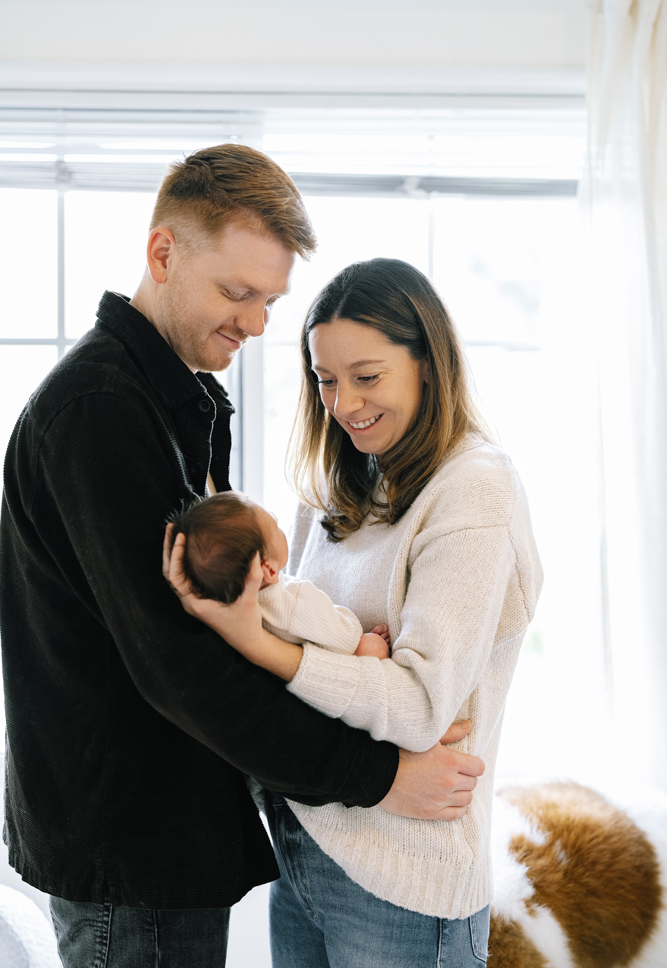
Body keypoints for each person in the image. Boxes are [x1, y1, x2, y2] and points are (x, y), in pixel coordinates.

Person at [0, 145, 484, 968]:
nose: (259, 324)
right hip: (134, 846)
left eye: (269, 299)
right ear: (163, 253)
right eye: (237, 292)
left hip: (157, 837)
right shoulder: (104, 412)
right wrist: (376, 776)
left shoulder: (167, 400)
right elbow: (178, 661)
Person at [165, 257, 543, 967]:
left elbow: (419, 708)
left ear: (427, 363)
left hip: (404, 881)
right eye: (325, 380)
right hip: (305, 849)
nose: (342, 405)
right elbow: (328, 664)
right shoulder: (333, 488)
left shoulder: (472, 493)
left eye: (366, 377)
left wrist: (258, 644)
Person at [168, 490, 392, 658]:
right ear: (269, 569)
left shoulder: (246, 604)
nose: (278, 523)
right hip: (341, 651)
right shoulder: (295, 605)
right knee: (372, 647)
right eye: (275, 526)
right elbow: (340, 637)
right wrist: (360, 637)